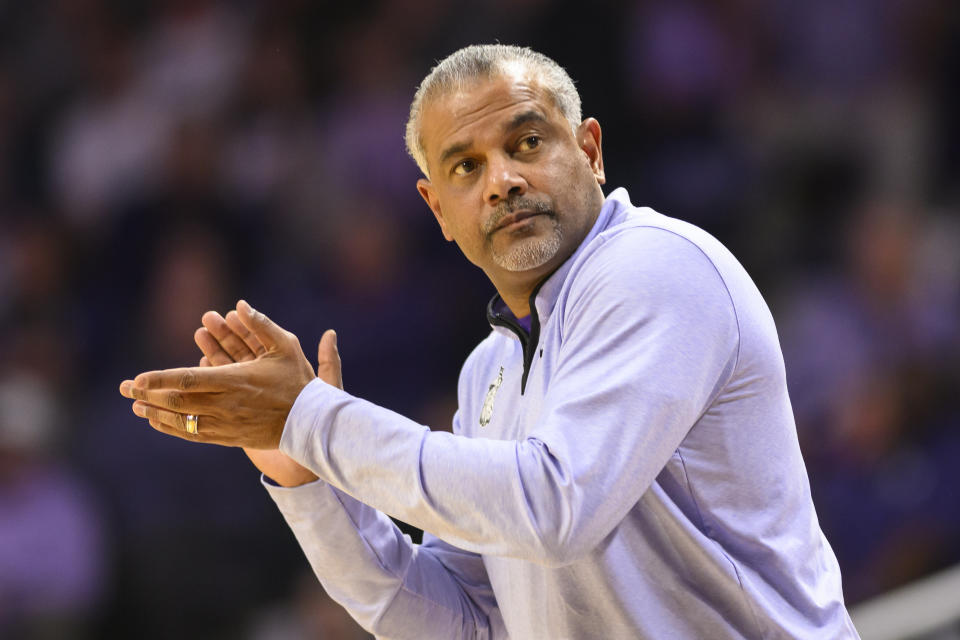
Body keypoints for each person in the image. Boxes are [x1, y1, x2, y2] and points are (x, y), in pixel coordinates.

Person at [120, 44, 860, 639]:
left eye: (527, 142)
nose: (501, 181)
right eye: (466, 167)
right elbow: (459, 623)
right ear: (437, 208)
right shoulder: (490, 371)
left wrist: (312, 418)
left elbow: (554, 506)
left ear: (591, 150)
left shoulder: (655, 267)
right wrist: (301, 473)